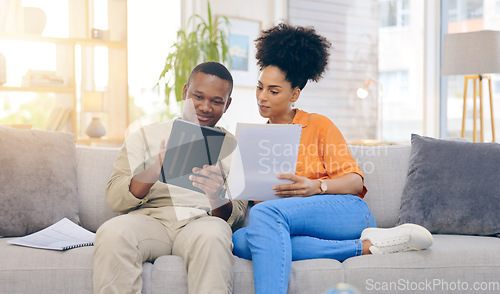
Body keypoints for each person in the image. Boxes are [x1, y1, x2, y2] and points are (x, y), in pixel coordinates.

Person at [231, 23, 433, 294]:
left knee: (263, 218)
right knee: (242, 239)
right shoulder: (255, 138)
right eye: (260, 88)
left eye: (273, 91)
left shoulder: (317, 125)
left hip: (345, 212)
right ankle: (366, 248)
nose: (262, 97)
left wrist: (315, 186)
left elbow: (353, 181)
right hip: (285, 221)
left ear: (294, 94)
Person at [93, 61, 247, 294]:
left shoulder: (234, 147)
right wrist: (154, 170)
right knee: (113, 232)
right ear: (185, 92)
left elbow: (236, 215)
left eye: (217, 101)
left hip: (200, 223)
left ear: (227, 104)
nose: (205, 107)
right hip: (150, 221)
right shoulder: (145, 135)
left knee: (215, 235)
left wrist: (216, 197)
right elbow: (115, 198)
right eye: (198, 97)